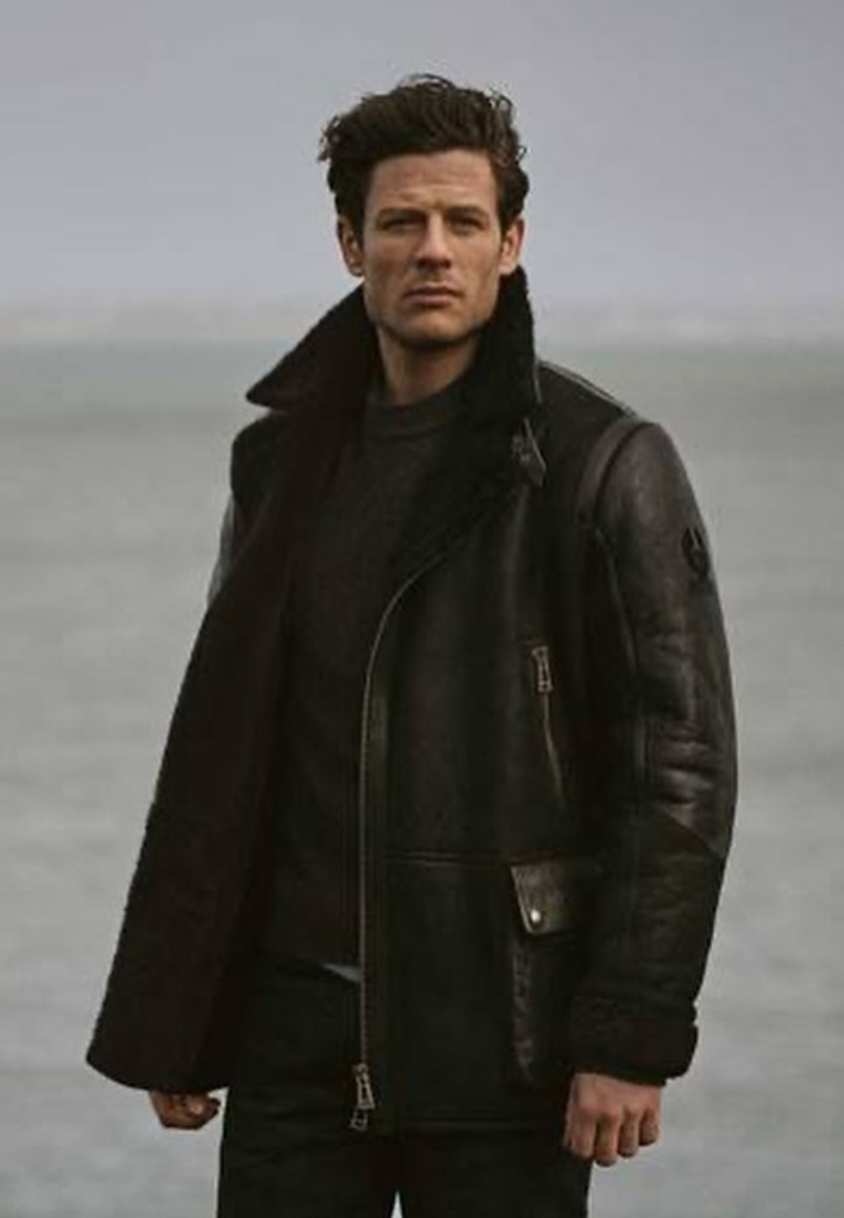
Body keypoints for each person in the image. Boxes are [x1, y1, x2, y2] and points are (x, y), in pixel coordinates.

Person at [86, 74, 737, 1217]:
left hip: (502, 1038)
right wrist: (177, 1008)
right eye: (399, 222)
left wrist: (629, 1032)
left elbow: (673, 768)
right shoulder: (278, 462)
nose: (432, 249)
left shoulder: (598, 463)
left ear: (509, 243)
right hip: (294, 1038)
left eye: (462, 221)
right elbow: (229, 750)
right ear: (351, 244)